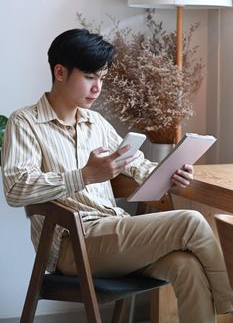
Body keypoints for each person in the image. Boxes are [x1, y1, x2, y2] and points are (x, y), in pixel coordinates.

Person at [1, 28, 233, 323]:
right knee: (190, 221)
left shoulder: (95, 122)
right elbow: (17, 189)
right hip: (72, 245)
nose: (97, 87)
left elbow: (136, 163)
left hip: (113, 233)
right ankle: (229, 302)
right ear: (60, 71)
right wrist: (84, 176)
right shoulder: (25, 123)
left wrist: (170, 173)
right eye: (89, 77)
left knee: (186, 265)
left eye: (102, 78)